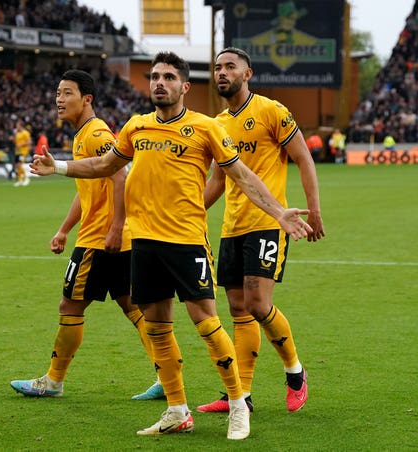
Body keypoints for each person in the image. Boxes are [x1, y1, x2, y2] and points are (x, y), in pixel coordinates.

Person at [31, 51, 313, 440]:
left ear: (185, 86)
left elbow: (242, 176)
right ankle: (177, 410)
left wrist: (279, 212)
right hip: (144, 244)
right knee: (159, 328)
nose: (159, 83)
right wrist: (59, 166)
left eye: (168, 77)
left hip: (187, 243)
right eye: (154, 77)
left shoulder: (205, 127)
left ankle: (237, 405)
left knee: (207, 323)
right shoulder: (136, 127)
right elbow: (103, 167)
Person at [10, 70, 162, 401]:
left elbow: (120, 175)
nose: (59, 100)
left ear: (86, 99)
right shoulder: (83, 136)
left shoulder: (95, 133)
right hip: (113, 236)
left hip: (100, 239)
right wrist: (64, 229)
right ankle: (166, 375)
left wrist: (116, 225)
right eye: (57, 93)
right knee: (132, 306)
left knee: (70, 305)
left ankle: (53, 380)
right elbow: (90, 186)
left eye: (66, 93)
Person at [197, 47, 325, 415]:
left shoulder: (272, 111)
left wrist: (313, 210)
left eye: (229, 67)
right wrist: (190, 212)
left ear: (247, 73)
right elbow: (218, 181)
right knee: (238, 309)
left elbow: (304, 157)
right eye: (218, 67)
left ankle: (295, 372)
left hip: (269, 223)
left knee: (257, 304)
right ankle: (241, 396)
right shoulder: (218, 123)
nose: (222, 73)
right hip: (232, 226)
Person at [13, 120, 32, 186]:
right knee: (17, 166)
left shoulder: (25, 133)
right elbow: (16, 143)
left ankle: (26, 178)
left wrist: (21, 144)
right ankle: (20, 180)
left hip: (23, 151)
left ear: (21, 126)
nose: (16, 127)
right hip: (17, 152)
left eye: (17, 125)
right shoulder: (17, 134)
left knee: (19, 165)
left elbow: (29, 142)